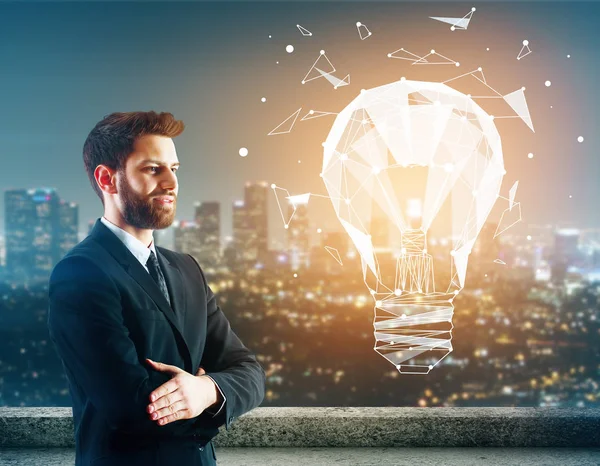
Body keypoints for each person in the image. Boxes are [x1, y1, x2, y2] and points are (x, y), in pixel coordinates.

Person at [47, 111, 265, 466]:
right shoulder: (80, 273)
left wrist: (207, 389)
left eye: (174, 169)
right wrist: (210, 396)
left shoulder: (187, 269)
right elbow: (132, 408)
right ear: (107, 179)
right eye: (153, 169)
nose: (171, 183)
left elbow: (249, 371)